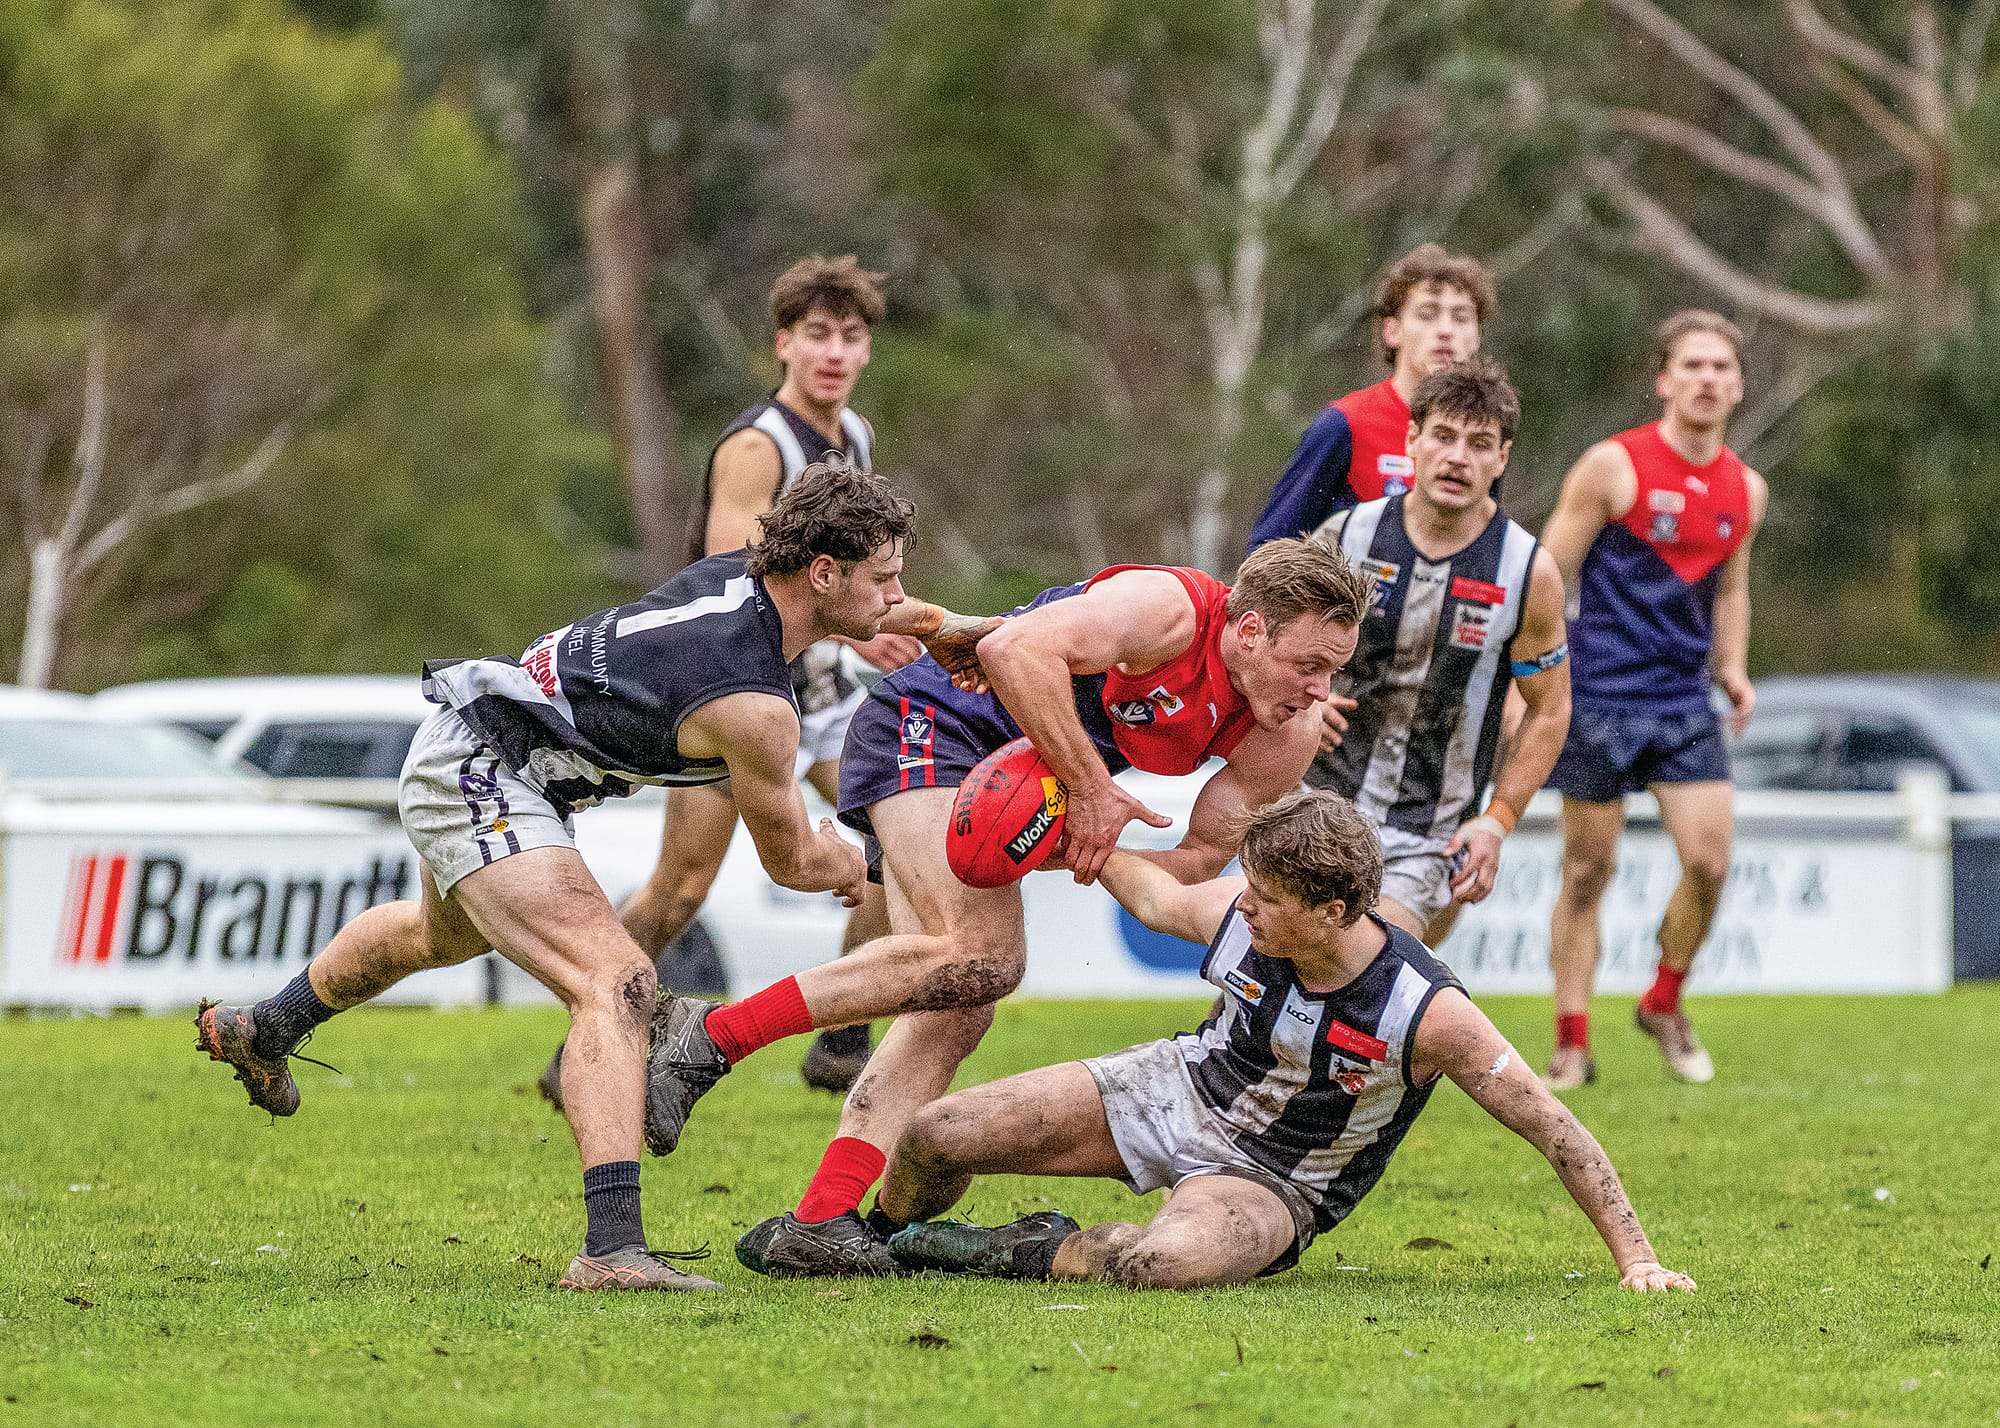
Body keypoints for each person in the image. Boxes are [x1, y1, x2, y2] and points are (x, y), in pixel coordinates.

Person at [194, 464, 987, 1292]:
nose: (898, 597)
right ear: (824, 573)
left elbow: (882, 612)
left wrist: (946, 626)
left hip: (476, 745)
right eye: (885, 578)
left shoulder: (740, 582)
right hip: (486, 770)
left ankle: (269, 1026)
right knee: (616, 982)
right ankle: (609, 1251)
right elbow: (791, 862)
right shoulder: (755, 704)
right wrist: (875, 857)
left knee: (439, 936)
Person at [645, 538, 1379, 1277]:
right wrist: (1089, 791)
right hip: (932, 723)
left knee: (962, 1002)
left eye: (1333, 671)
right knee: (979, 955)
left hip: (1011, 778)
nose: (1321, 691)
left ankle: (820, 1219)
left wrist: (1070, 843)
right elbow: (1017, 649)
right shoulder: (1168, 612)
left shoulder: (1286, 732)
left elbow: (1189, 866)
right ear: (1250, 632)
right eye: (1309, 665)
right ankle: (711, 1033)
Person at [873, 789, 1696, 1294]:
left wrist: (1639, 1260)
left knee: (1161, 1268)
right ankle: (875, 1240)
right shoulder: (1246, 914)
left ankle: (1007, 1250)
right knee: (932, 1134)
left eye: (1267, 898)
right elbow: (1159, 898)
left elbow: (1558, 1130)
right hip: (1178, 1088)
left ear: (1334, 911)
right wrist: (1072, 837)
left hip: (1277, 1181)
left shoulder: (1428, 1012)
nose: (1246, 908)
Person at [613, 254, 910, 1097]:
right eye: (816, 334)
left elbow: (866, 572)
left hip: (813, 688)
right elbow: (728, 582)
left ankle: (843, 1037)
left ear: (865, 353)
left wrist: (906, 626)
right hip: (732, 688)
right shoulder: (757, 446)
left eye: (850, 338)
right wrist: (858, 641)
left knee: (896, 837)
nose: (834, 353)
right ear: (783, 343)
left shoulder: (855, 440)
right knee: (681, 888)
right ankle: (591, 1033)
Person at [1537, 311, 1766, 1090]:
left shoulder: (1746, 489)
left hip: (1681, 703)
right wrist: (1530, 677)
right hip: (1599, 696)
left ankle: (1663, 1001)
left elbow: (1731, 588)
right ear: (1664, 379)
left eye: (1721, 368)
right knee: (1587, 872)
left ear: (1737, 385)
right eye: (1692, 365)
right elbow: (1543, 575)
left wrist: (1732, 666)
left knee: (1709, 863)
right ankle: (1572, 1041)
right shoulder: (1613, 467)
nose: (1707, 379)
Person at [1308, 357, 1570, 946]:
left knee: (1366, 969)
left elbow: (1551, 709)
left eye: (1480, 444)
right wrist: (1301, 701)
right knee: (1258, 985)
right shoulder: (1347, 536)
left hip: (1428, 830)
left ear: (1501, 459)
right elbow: (1271, 645)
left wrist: (1498, 821)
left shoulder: (1527, 572)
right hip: (1315, 797)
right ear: (1413, 441)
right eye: (1444, 437)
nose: (1458, 457)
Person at [1248, 243, 1495, 550]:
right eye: (1427, 314)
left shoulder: (1483, 438)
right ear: (1392, 331)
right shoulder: (1344, 424)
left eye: (1460, 317)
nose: (1445, 330)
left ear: (1477, 337)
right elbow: (1267, 548)